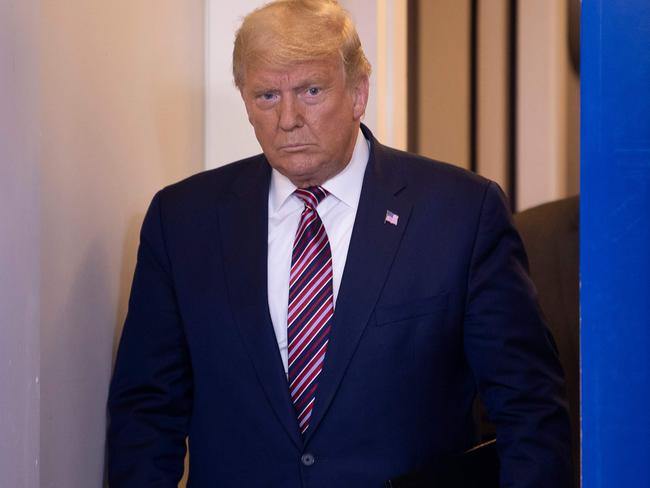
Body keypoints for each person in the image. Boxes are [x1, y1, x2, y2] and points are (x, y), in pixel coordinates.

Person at [107, 1, 572, 486]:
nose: (288, 118)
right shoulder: (183, 221)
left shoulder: (460, 213)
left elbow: (528, 405)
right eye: (266, 95)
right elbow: (146, 412)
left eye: (311, 90)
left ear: (357, 93)